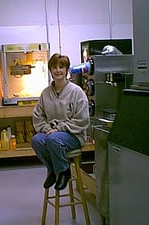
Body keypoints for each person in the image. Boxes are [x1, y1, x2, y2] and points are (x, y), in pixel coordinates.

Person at [31, 53, 90, 190]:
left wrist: (59, 129)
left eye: (61, 67)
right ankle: (52, 170)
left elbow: (82, 119)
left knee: (53, 139)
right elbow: (38, 117)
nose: (58, 70)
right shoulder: (45, 93)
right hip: (52, 134)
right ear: (50, 70)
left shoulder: (76, 92)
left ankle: (64, 171)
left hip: (73, 135)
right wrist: (47, 129)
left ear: (66, 70)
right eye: (54, 67)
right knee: (36, 140)